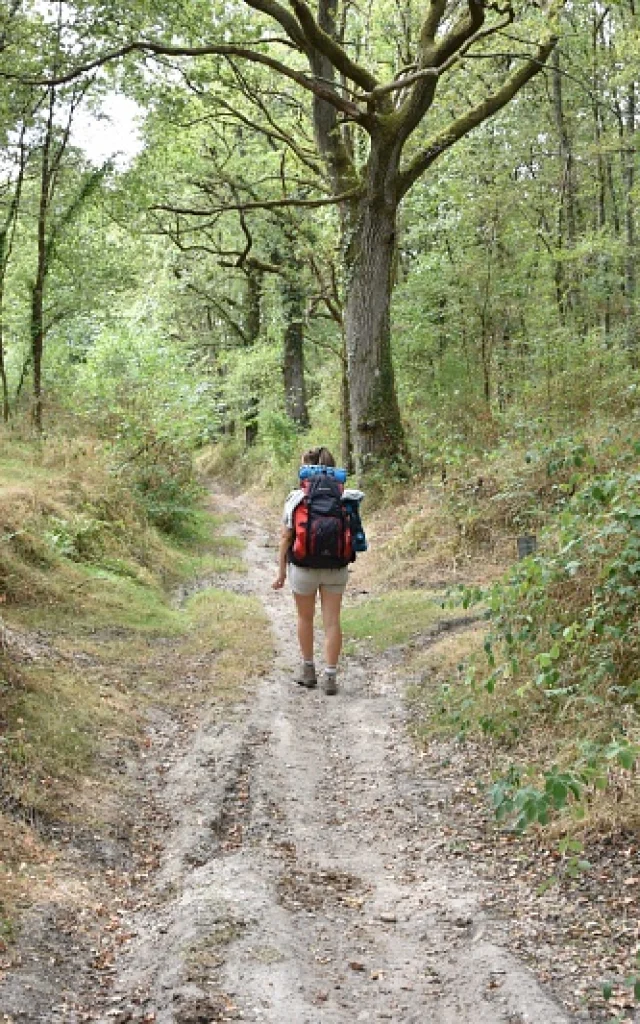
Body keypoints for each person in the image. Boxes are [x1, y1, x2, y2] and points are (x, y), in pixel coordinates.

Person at [272, 446, 351, 695]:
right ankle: (330, 676)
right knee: (332, 622)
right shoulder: (344, 496)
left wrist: (281, 572)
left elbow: (286, 536)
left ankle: (308, 671)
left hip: (304, 567)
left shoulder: (296, 498)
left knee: (305, 618)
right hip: (336, 567)